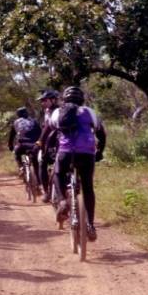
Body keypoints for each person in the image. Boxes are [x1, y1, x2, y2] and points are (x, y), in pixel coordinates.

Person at [49, 86, 106, 242]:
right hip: (86, 153)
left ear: (64, 99)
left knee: (59, 174)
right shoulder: (89, 112)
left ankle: (61, 201)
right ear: (82, 99)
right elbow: (101, 132)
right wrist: (100, 152)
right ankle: (90, 225)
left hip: (66, 152)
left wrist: (50, 150)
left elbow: (51, 131)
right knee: (88, 187)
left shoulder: (57, 112)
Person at [36, 89, 60, 203]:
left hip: (54, 144)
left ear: (53, 100)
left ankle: (46, 192)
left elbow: (47, 129)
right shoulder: (47, 111)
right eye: (42, 101)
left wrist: (39, 142)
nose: (43, 102)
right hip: (53, 143)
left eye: (45, 100)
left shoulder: (55, 111)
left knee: (42, 163)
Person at [7, 107, 42, 184]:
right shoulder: (34, 121)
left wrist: (10, 146)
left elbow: (12, 136)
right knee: (35, 163)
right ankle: (39, 183)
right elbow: (40, 133)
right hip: (34, 145)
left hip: (22, 145)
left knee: (17, 153)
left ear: (18, 114)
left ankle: (21, 167)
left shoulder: (16, 122)